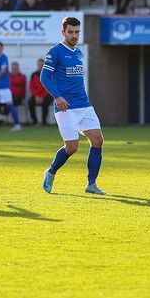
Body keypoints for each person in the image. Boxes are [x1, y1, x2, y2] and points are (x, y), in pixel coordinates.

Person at [41, 17, 105, 195]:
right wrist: (57, 96)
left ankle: (91, 184)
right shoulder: (55, 52)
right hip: (65, 107)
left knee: (98, 140)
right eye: (70, 32)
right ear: (63, 32)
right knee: (72, 147)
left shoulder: (78, 52)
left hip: (84, 105)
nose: (74, 35)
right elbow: (44, 78)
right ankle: (51, 171)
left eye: (77, 32)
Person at [28, 58, 53, 126]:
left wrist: (41, 97)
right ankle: (34, 121)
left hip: (46, 95)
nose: (40, 66)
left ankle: (44, 121)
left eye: (42, 65)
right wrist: (36, 96)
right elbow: (31, 87)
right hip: (36, 95)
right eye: (39, 65)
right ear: (37, 65)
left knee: (45, 102)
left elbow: (49, 87)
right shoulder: (33, 74)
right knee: (30, 101)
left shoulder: (49, 74)